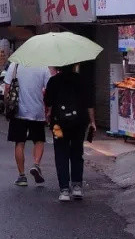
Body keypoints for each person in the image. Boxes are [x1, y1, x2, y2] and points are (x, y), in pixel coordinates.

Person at [45, 64, 97, 201]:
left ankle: (64, 190)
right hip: (79, 123)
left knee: (61, 152)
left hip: (58, 125)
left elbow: (48, 103)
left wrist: (49, 115)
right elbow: (89, 103)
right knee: (76, 151)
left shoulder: (53, 81)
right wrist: (93, 121)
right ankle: (77, 187)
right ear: (74, 65)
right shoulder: (82, 80)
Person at [7, 62, 52, 187]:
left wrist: (8, 105)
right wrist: (49, 109)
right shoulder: (43, 66)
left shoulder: (15, 65)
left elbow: (7, 87)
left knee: (19, 142)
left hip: (18, 111)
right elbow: (49, 89)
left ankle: (22, 176)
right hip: (37, 110)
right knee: (39, 140)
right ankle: (36, 164)